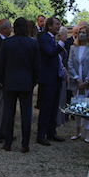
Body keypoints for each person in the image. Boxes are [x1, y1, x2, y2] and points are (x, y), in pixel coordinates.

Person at [0, 17, 40, 152]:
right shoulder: (32, 44)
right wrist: (33, 81)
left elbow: (1, 63)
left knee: (9, 113)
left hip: (10, 81)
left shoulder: (7, 43)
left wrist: (1, 79)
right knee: (26, 114)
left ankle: (8, 142)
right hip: (26, 82)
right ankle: (25, 144)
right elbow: (37, 66)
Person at [36, 17, 64, 145]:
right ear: (49, 26)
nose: (59, 26)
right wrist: (62, 43)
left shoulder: (53, 39)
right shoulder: (43, 37)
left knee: (54, 107)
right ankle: (41, 134)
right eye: (57, 24)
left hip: (56, 78)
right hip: (47, 79)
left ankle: (51, 131)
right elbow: (50, 53)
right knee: (46, 107)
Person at [68, 26, 89, 142]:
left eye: (84, 32)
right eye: (80, 32)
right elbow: (70, 63)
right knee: (77, 105)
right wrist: (76, 78)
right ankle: (77, 130)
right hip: (76, 81)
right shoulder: (73, 47)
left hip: (87, 82)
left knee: (87, 106)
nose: (81, 34)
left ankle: (87, 132)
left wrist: (87, 80)